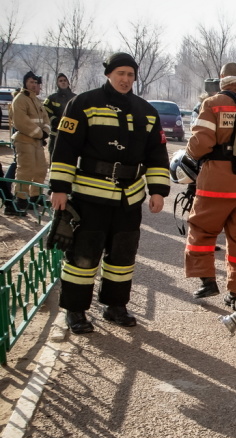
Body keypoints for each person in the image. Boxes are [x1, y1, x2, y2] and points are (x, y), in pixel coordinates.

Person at [49, 52, 170, 334]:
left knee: (123, 256)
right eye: (120, 74)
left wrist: (158, 190)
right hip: (90, 195)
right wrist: (59, 188)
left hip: (129, 199)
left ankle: (115, 306)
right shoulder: (83, 104)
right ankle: (76, 310)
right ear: (109, 74)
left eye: (130, 74)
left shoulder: (146, 111)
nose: (125, 79)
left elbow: (157, 154)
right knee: (83, 256)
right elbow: (65, 148)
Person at [184, 62, 236, 305]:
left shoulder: (213, 104)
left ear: (222, 79)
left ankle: (207, 281)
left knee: (201, 230)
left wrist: (191, 154)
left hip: (215, 183)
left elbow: (200, 145)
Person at [7, 71, 49, 217]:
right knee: (25, 170)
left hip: (37, 142)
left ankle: (35, 197)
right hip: (24, 140)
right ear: (25, 83)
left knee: (40, 169)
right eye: (31, 82)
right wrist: (40, 133)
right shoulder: (20, 99)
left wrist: (45, 132)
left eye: (35, 82)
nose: (34, 85)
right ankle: (21, 200)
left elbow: (45, 118)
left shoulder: (36, 100)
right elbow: (21, 121)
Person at [43, 73, 76, 155]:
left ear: (68, 83)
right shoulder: (51, 98)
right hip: (55, 135)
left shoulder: (76, 98)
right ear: (57, 83)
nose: (63, 82)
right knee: (54, 160)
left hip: (71, 137)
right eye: (60, 81)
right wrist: (55, 121)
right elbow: (45, 111)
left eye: (65, 80)